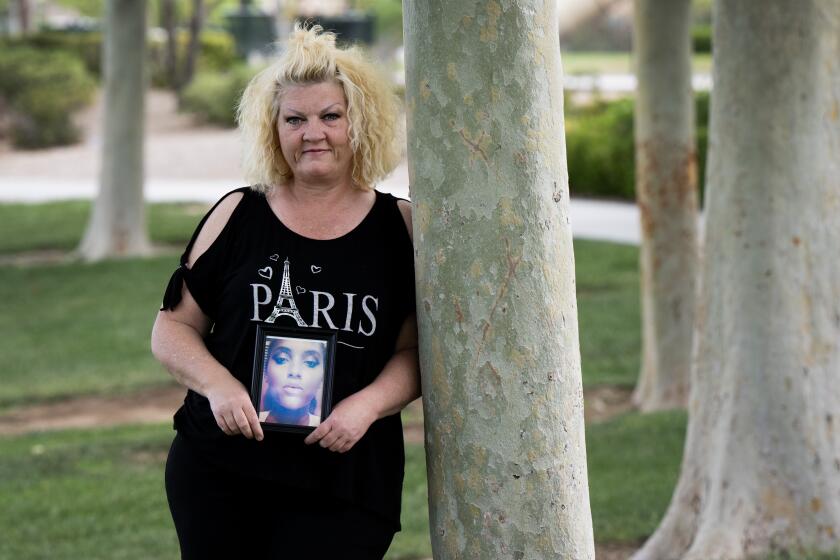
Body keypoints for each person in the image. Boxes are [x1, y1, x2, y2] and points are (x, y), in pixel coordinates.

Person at [151, 24, 419, 559]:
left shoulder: (401, 229)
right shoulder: (237, 213)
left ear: (358, 124)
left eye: (330, 116)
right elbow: (172, 327)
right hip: (222, 470)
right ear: (273, 130)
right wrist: (219, 386)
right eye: (294, 119)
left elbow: (415, 353)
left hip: (345, 477)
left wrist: (366, 407)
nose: (312, 132)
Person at [259, 336, 326, 427]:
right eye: (282, 359)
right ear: (266, 372)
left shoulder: (327, 428)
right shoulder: (249, 420)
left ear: (322, 377)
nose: (294, 372)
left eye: (310, 362)